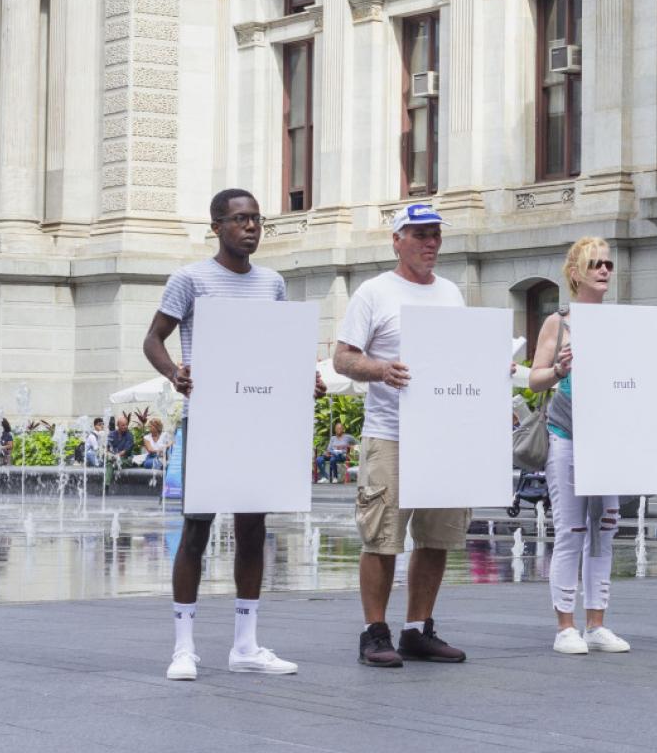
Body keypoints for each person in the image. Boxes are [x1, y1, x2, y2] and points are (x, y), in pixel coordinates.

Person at [144, 187, 325, 681]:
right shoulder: (190, 280)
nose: (251, 228)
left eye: (257, 220)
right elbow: (153, 338)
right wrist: (174, 373)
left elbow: (277, 347)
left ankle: (245, 644)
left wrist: (303, 377)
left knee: (252, 531)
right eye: (240, 219)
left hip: (258, 421)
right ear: (217, 226)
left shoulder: (273, 283)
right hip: (210, 419)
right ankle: (184, 647)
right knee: (196, 529)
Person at [334, 202, 476, 668]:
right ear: (397, 240)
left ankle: (418, 628)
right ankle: (374, 633)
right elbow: (343, 358)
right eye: (419, 235)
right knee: (382, 537)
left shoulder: (452, 293)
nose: (430, 242)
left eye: (435, 234)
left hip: (442, 432)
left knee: (436, 537)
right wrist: (379, 369)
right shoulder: (374, 292)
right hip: (390, 433)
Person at [526, 237, 629, 656]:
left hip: (607, 437)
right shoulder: (560, 322)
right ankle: (565, 626)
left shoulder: (621, 322)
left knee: (605, 529)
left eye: (607, 263)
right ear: (575, 273)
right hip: (566, 433)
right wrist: (557, 368)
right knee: (571, 529)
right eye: (595, 264)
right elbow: (534, 378)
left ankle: (597, 624)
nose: (604, 270)